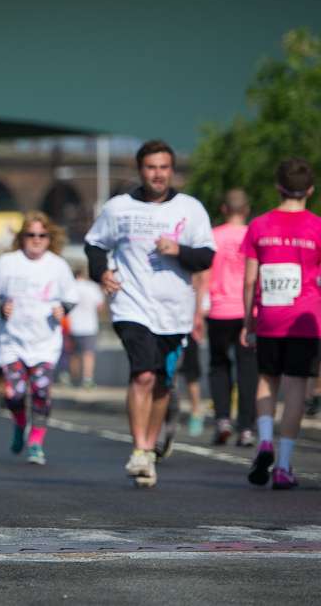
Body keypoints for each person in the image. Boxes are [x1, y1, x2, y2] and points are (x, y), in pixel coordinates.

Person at [84, 140, 214, 488]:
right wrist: (102, 272)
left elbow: (205, 257)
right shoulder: (119, 208)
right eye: (151, 167)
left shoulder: (190, 209)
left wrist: (178, 250)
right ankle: (140, 448)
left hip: (174, 312)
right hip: (131, 304)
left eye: (164, 168)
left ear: (172, 171)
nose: (158, 174)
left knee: (163, 383)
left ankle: (151, 446)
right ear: (141, 170)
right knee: (143, 374)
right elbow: (95, 243)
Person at [240, 158, 321, 490]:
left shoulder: (259, 225)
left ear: (278, 187)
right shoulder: (317, 227)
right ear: (310, 190)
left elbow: (249, 280)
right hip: (306, 318)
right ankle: (284, 465)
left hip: (270, 316)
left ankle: (264, 440)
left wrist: (248, 321)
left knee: (267, 379)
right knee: (297, 387)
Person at [0, 211, 78, 466]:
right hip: (12, 340)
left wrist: (63, 309)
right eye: (31, 235)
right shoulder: (6, 263)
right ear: (22, 237)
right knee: (14, 393)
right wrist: (0, 307)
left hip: (45, 342)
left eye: (42, 235)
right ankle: (19, 423)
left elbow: (71, 297)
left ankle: (36, 442)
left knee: (41, 391)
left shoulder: (58, 265)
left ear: (50, 238)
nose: (36, 240)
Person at [200, 189, 257, 446]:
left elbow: (203, 276)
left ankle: (223, 419)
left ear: (224, 209)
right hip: (248, 312)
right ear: (246, 210)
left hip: (219, 310)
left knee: (219, 366)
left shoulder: (213, 236)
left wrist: (198, 312)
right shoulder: (254, 235)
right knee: (248, 370)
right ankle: (246, 428)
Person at [66, 267, 104, 389]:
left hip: (72, 325)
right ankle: (87, 380)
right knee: (89, 354)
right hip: (90, 326)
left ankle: (74, 379)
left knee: (74, 354)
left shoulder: (70, 286)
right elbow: (100, 307)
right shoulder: (92, 287)